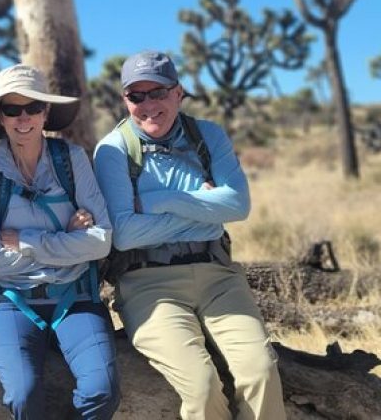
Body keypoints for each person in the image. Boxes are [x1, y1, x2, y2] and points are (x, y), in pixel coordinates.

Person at [94, 50, 285, 420]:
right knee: (201, 385)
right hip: (148, 284)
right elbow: (125, 235)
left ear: (178, 92)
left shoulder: (207, 136)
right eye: (137, 96)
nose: (148, 104)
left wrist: (159, 200)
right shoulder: (114, 150)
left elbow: (238, 206)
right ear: (124, 100)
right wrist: (205, 212)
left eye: (158, 92)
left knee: (260, 371)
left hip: (219, 277)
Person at [0, 64, 120, 420]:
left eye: (33, 107)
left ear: (46, 112)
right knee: (23, 393)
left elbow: (101, 242)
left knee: (102, 390)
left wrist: (28, 241)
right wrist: (67, 241)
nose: (24, 119)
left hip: (75, 299)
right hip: (7, 302)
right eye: (12, 109)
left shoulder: (73, 160)